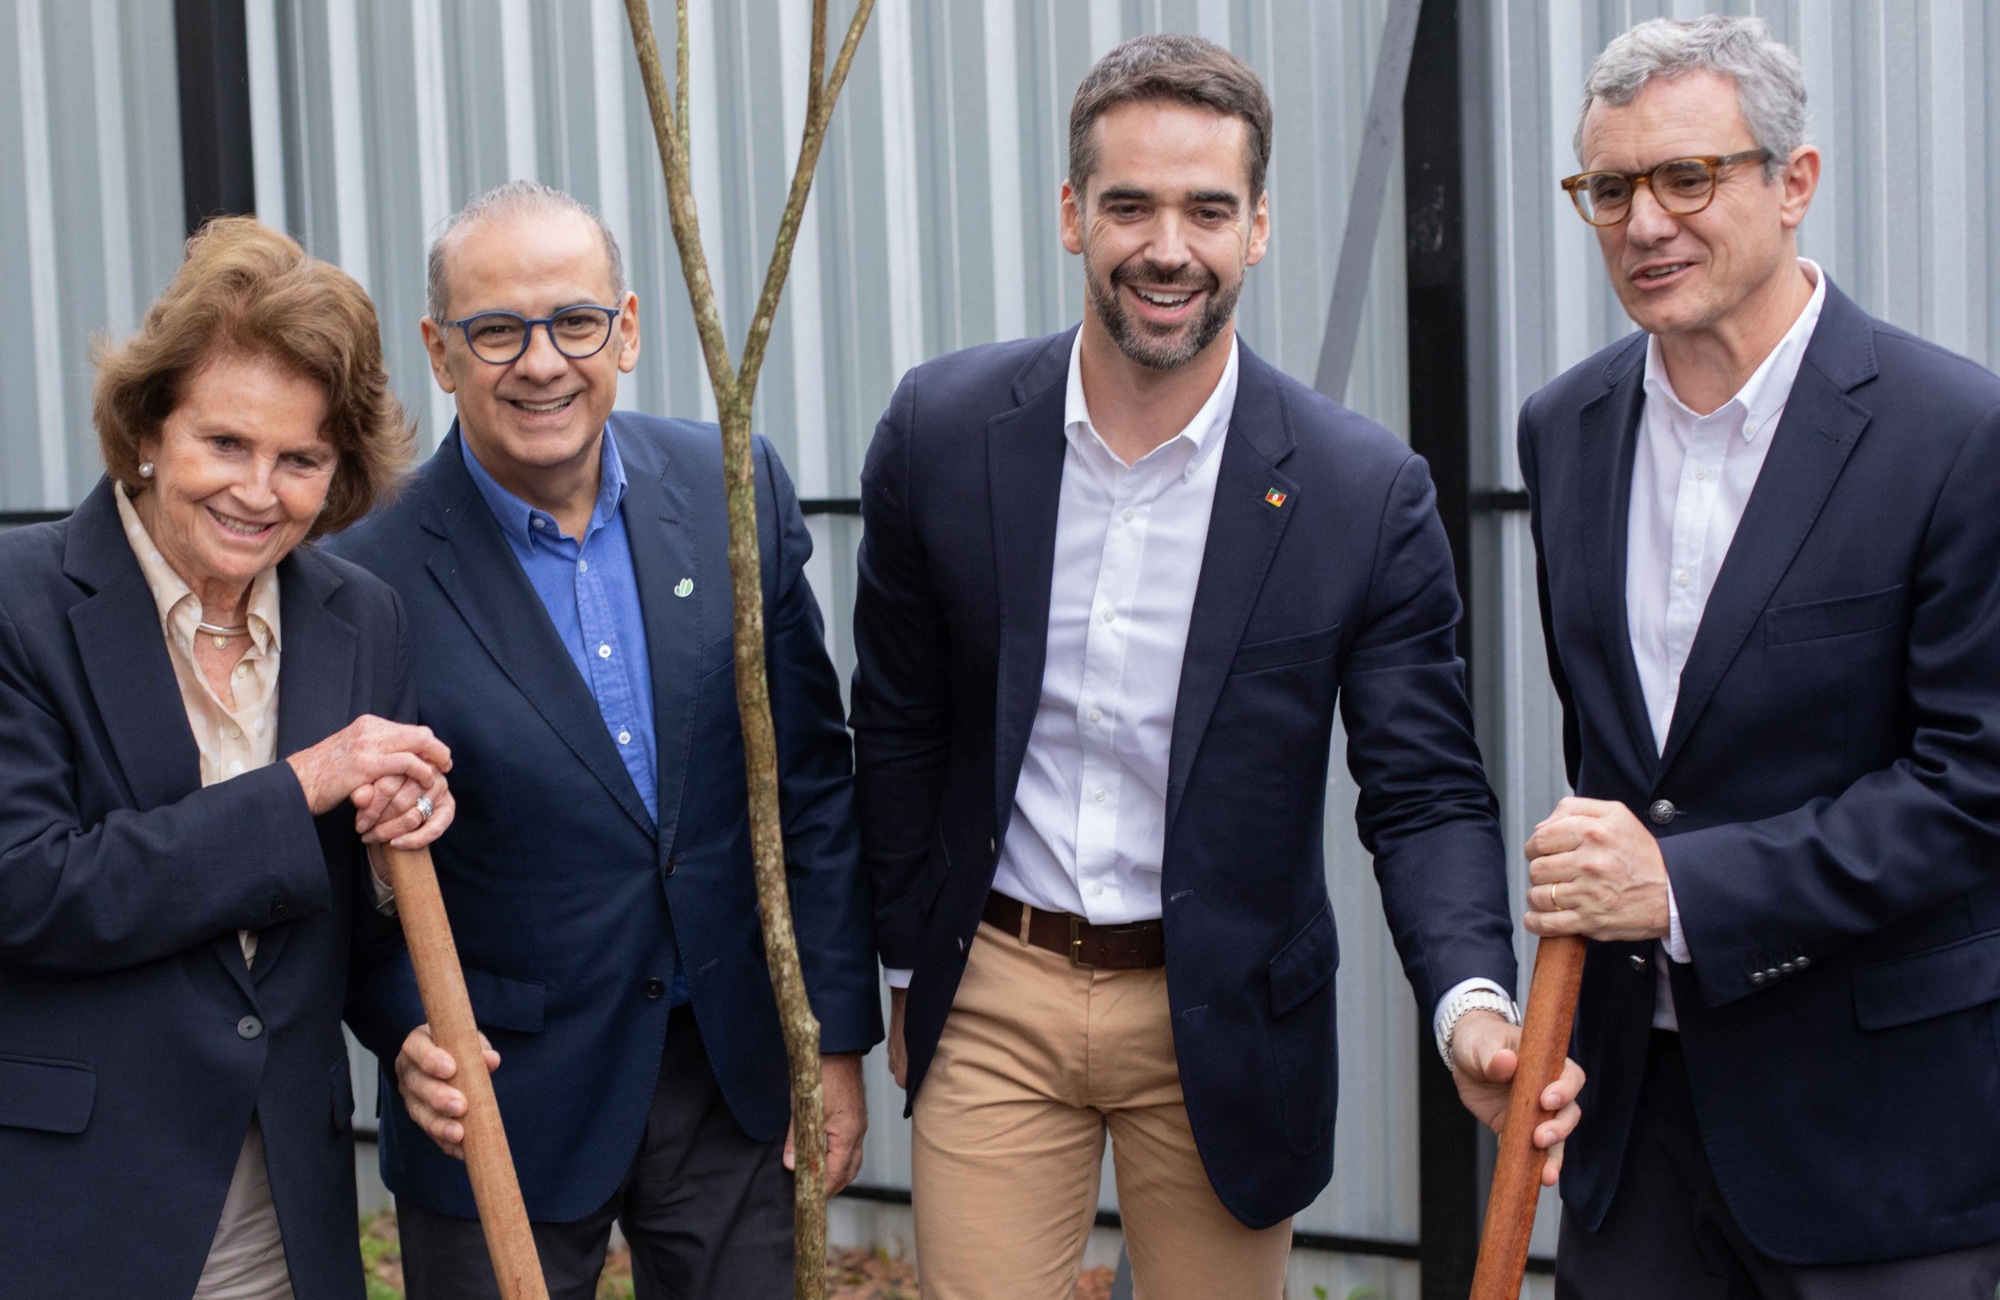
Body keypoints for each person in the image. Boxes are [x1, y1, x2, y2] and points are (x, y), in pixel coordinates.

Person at [849, 35, 1582, 1300]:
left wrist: (1471, 1003)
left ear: (1256, 228)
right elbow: (899, 723)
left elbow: (1422, 788)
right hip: (996, 991)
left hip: (1228, 1012)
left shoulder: (1359, 491)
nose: (1166, 247)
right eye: (1129, 205)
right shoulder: (942, 432)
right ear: (1072, 214)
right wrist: (911, 967)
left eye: (1205, 209)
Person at [1517, 16, 2000, 1297]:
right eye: (1608, 188)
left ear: (1794, 183)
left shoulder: (1953, 433)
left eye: (1686, 178)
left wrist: (1679, 889)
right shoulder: (1562, 428)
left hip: (1875, 1141)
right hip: (1632, 1134)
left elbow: (1972, 786)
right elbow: (1617, 758)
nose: (1642, 223)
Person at [331, 180, 880, 1300]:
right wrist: (402, 1029)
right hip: (495, 1093)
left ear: (625, 329)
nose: (542, 363)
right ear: (440, 352)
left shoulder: (731, 487)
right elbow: (335, 863)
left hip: (728, 1078)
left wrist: (830, 1042)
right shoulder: (361, 573)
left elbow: (810, 785)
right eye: (497, 330)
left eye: (574, 321)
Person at [0, 217, 453, 1300]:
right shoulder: (19, 602)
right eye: (225, 444)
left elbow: (349, 927)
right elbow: (29, 887)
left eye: (301, 460)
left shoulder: (363, 618)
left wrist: (406, 1026)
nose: (258, 490)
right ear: (148, 427)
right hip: (73, 1212)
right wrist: (300, 787)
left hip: (282, 1216)